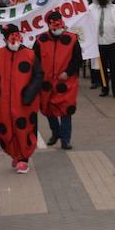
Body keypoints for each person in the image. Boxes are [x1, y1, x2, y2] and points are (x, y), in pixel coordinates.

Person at [0, 24, 43, 173]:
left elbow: (38, 75)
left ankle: (24, 158)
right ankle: (15, 153)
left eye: (16, 35)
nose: (14, 39)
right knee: (7, 129)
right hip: (4, 103)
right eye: (10, 36)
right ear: (5, 38)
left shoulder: (30, 54)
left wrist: (29, 94)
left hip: (24, 102)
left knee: (24, 129)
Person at [35, 12, 82, 150]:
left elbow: (77, 59)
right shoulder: (40, 40)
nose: (57, 25)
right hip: (47, 83)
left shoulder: (72, 39)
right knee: (48, 109)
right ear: (48, 24)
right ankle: (56, 133)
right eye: (53, 23)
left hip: (66, 82)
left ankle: (65, 140)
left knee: (66, 110)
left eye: (59, 22)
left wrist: (68, 72)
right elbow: (35, 60)